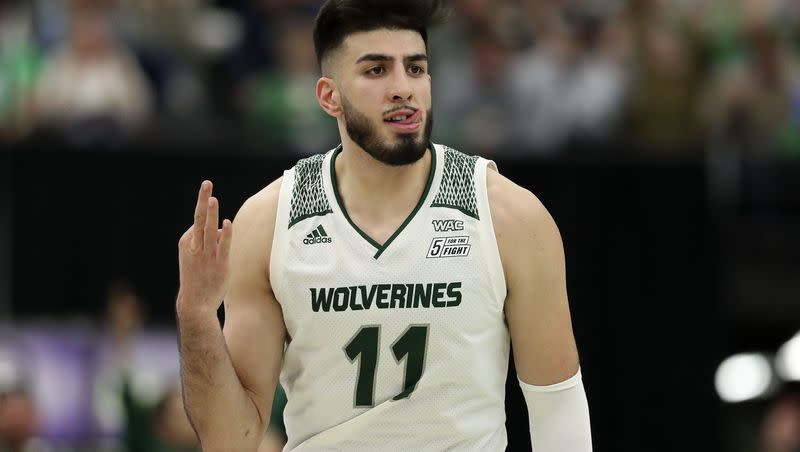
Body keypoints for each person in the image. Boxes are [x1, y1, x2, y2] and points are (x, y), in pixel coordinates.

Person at [176, 1, 592, 450]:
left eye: (415, 69)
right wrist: (196, 316)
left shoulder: (509, 216)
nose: (402, 88)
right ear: (328, 96)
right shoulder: (271, 222)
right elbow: (230, 440)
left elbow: (557, 410)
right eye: (377, 71)